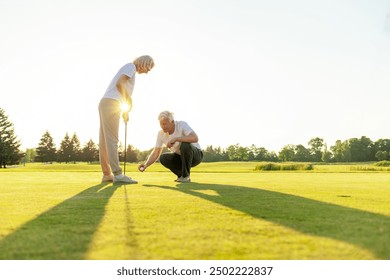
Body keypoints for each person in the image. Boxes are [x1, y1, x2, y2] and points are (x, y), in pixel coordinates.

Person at [99, 55, 154, 184]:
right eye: (148, 68)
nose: (147, 72)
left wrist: (125, 110)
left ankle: (107, 174)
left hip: (106, 103)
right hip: (111, 103)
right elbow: (120, 84)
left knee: (105, 140)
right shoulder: (131, 67)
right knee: (112, 139)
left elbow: (119, 89)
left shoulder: (130, 68)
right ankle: (117, 174)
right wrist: (129, 99)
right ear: (144, 63)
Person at [138, 111, 203, 182]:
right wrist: (146, 165)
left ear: (172, 122)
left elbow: (195, 138)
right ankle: (181, 175)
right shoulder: (161, 134)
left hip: (195, 156)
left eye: (165, 124)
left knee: (185, 144)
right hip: (180, 158)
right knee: (163, 158)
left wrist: (176, 139)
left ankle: (185, 176)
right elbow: (155, 153)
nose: (163, 126)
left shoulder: (181, 125)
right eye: (161, 124)